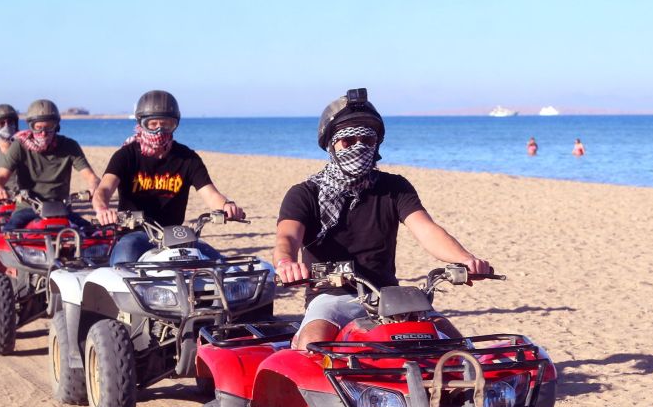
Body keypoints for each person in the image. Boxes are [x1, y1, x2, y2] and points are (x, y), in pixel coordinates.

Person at [274, 88, 491, 350]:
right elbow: (287, 236)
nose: (359, 147)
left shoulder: (394, 187)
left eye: (367, 140)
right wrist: (286, 263)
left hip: (390, 297)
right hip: (331, 297)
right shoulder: (306, 193)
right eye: (348, 140)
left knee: (458, 347)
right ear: (331, 144)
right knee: (313, 344)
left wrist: (465, 259)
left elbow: (426, 229)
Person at [93, 90, 244, 264]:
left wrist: (227, 206)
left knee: (219, 265)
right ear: (141, 124)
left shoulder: (188, 158)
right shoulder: (126, 156)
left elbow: (210, 194)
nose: (159, 130)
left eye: (166, 125)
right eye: (152, 124)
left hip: (175, 237)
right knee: (122, 264)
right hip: (134, 235)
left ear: (175, 125)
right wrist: (102, 209)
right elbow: (104, 189)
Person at [0, 99, 100, 230]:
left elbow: (91, 177)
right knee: (8, 235)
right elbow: (0, 177)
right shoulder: (19, 146)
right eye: (38, 128)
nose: (43, 133)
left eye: (49, 128)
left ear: (57, 126)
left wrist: (94, 187)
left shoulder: (70, 146)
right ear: (31, 127)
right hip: (28, 208)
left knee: (92, 234)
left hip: (60, 209)